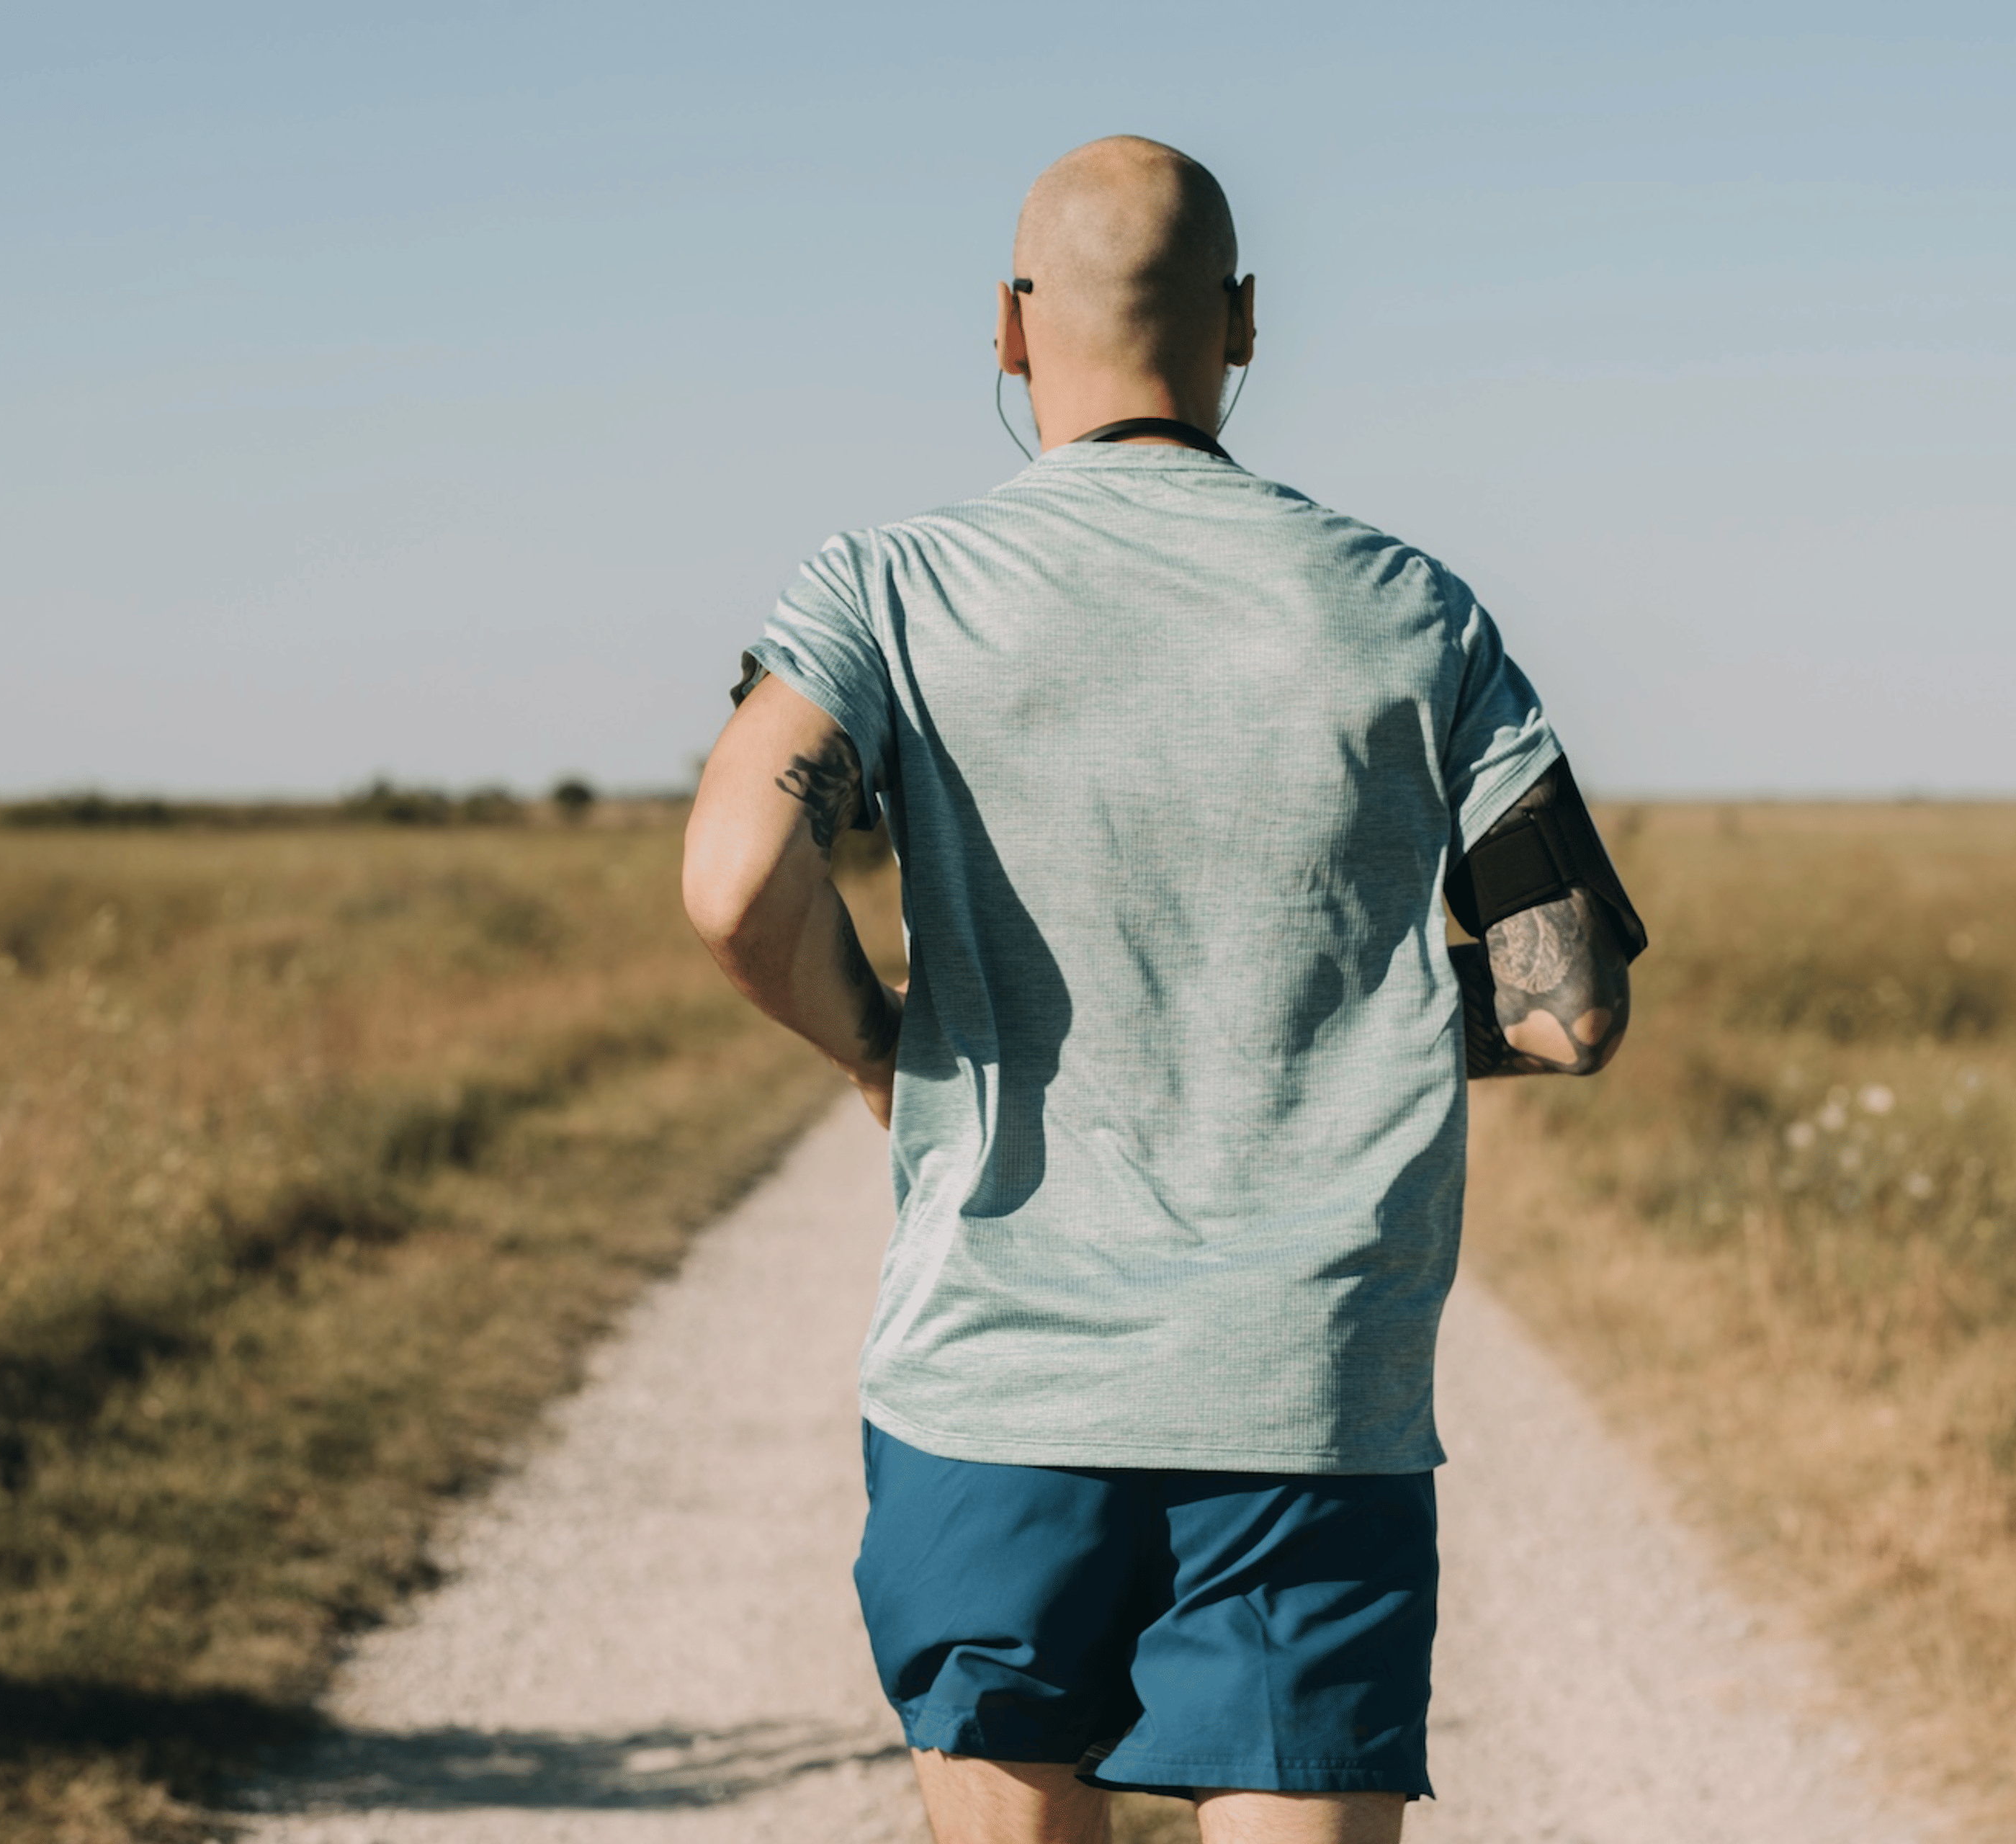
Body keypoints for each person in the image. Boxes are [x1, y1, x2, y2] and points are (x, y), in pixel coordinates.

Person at [681, 135, 1644, 1844]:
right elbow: (1569, 1003)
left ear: (1004, 327)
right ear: (1248, 325)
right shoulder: (1418, 612)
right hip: (1309, 1406)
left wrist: (886, 1050)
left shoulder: (886, 592)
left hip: (993, 1396)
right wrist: (1359, 1019)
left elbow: (742, 876)